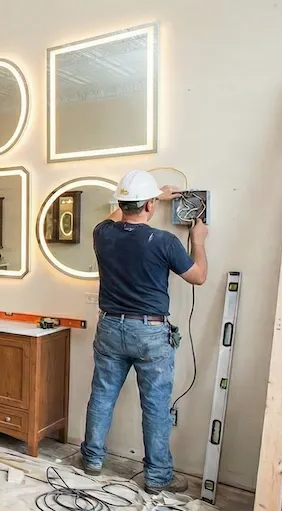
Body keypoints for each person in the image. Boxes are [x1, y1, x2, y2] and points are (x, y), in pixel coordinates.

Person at [80, 170, 208, 494]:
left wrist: (151, 196)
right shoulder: (164, 241)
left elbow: (116, 216)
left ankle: (92, 459)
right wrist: (198, 241)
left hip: (110, 326)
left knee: (102, 395)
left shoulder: (102, 234)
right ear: (149, 206)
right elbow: (198, 276)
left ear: (122, 203)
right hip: (149, 331)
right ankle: (157, 476)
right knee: (155, 405)